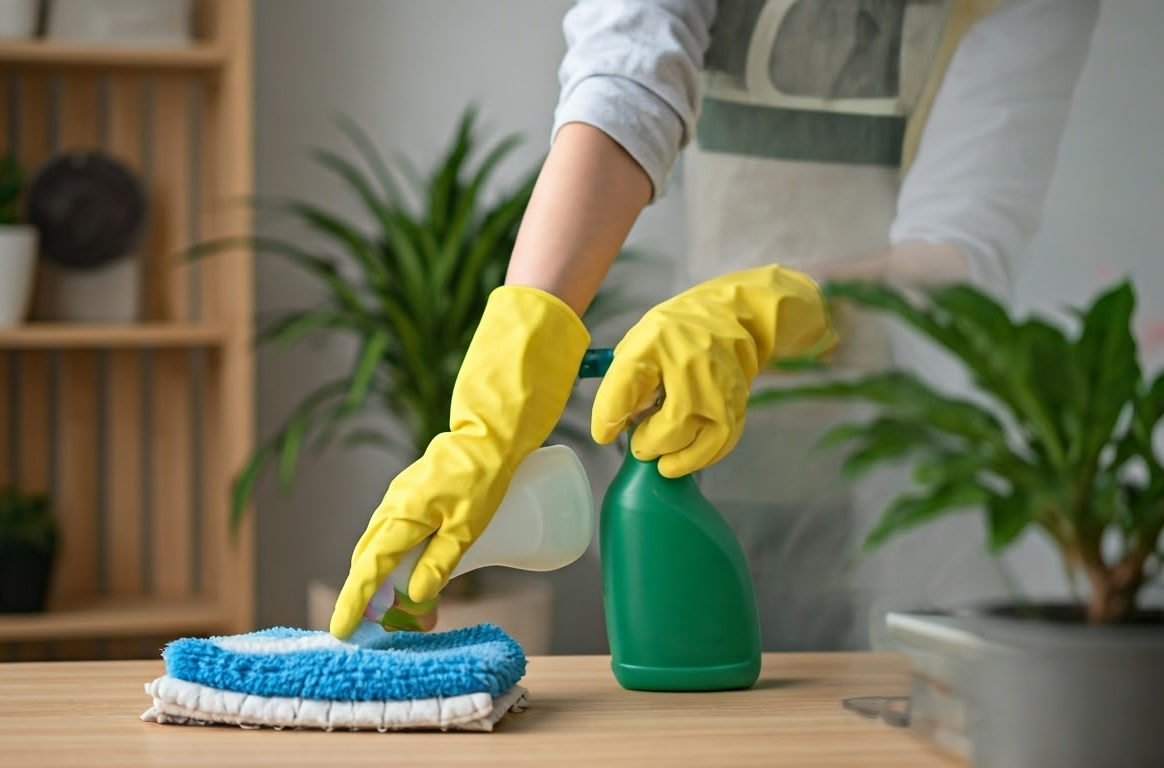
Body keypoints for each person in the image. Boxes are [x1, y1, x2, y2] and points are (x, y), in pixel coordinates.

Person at [329, 0, 1101, 642]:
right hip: (693, 434)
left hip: (901, 470)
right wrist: (518, 356)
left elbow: (961, 258)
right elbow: (623, 83)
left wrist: (766, 312)